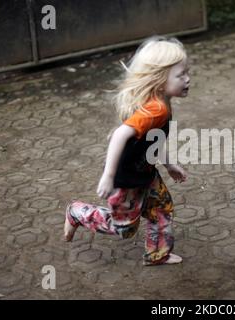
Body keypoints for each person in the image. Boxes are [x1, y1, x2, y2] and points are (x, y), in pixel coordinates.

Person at [64, 35, 190, 266]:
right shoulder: (156, 109)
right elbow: (120, 135)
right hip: (127, 179)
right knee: (123, 229)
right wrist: (109, 176)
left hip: (146, 173)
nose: (188, 79)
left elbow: (154, 139)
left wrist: (168, 164)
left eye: (187, 72)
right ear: (160, 80)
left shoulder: (162, 103)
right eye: (181, 75)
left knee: (161, 208)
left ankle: (157, 255)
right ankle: (77, 212)